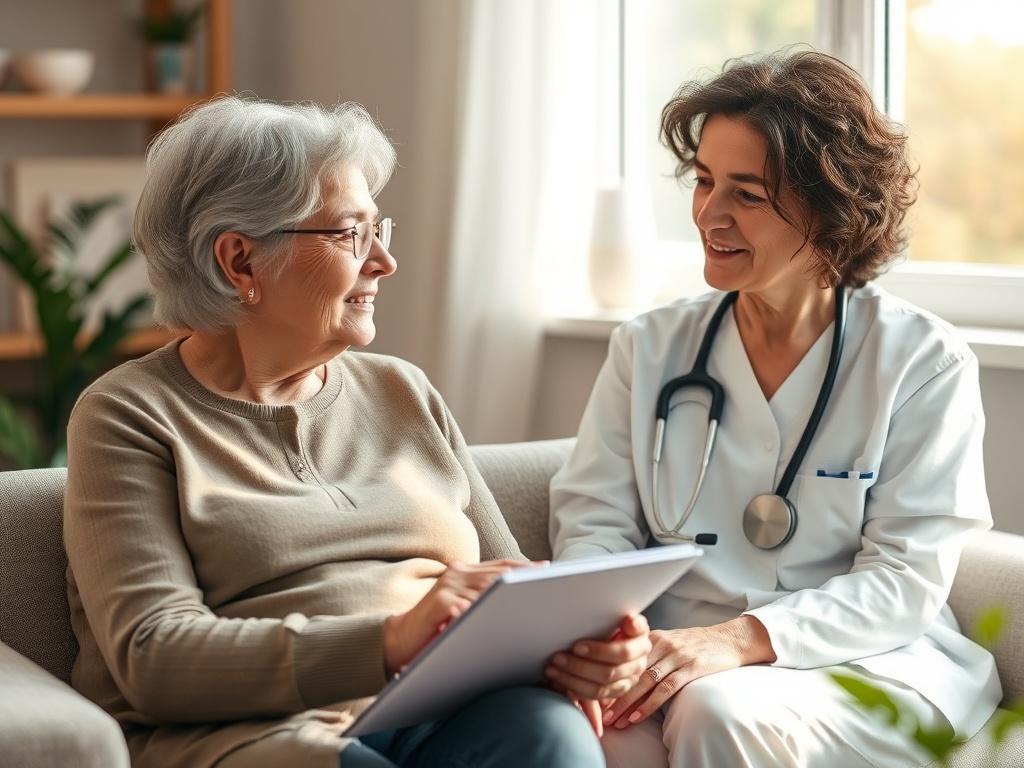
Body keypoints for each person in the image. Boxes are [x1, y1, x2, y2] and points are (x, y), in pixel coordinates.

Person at [63, 96, 651, 768]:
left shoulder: (403, 389)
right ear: (240, 262)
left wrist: (580, 645)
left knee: (549, 733)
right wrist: (389, 640)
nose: (384, 262)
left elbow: (510, 583)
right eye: (350, 234)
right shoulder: (128, 415)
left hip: (441, 706)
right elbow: (153, 656)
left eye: (380, 229)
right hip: (261, 736)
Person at [549, 50, 1002, 768]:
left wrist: (738, 640)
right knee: (559, 730)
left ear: (831, 210)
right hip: (674, 651)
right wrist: (613, 635)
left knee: (715, 710)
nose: (709, 215)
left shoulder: (922, 362)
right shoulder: (650, 347)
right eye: (704, 181)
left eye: (748, 194)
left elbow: (903, 579)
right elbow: (594, 523)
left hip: (860, 660)